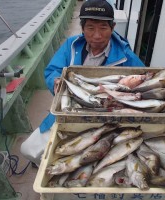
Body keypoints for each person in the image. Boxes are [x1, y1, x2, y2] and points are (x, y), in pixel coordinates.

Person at [20, 0, 145, 165]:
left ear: (113, 27)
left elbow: (148, 78)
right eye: (91, 28)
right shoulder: (71, 46)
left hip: (107, 118)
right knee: (28, 150)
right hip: (69, 111)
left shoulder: (126, 55)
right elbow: (52, 70)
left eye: (103, 28)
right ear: (82, 28)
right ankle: (43, 163)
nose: (97, 35)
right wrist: (56, 81)